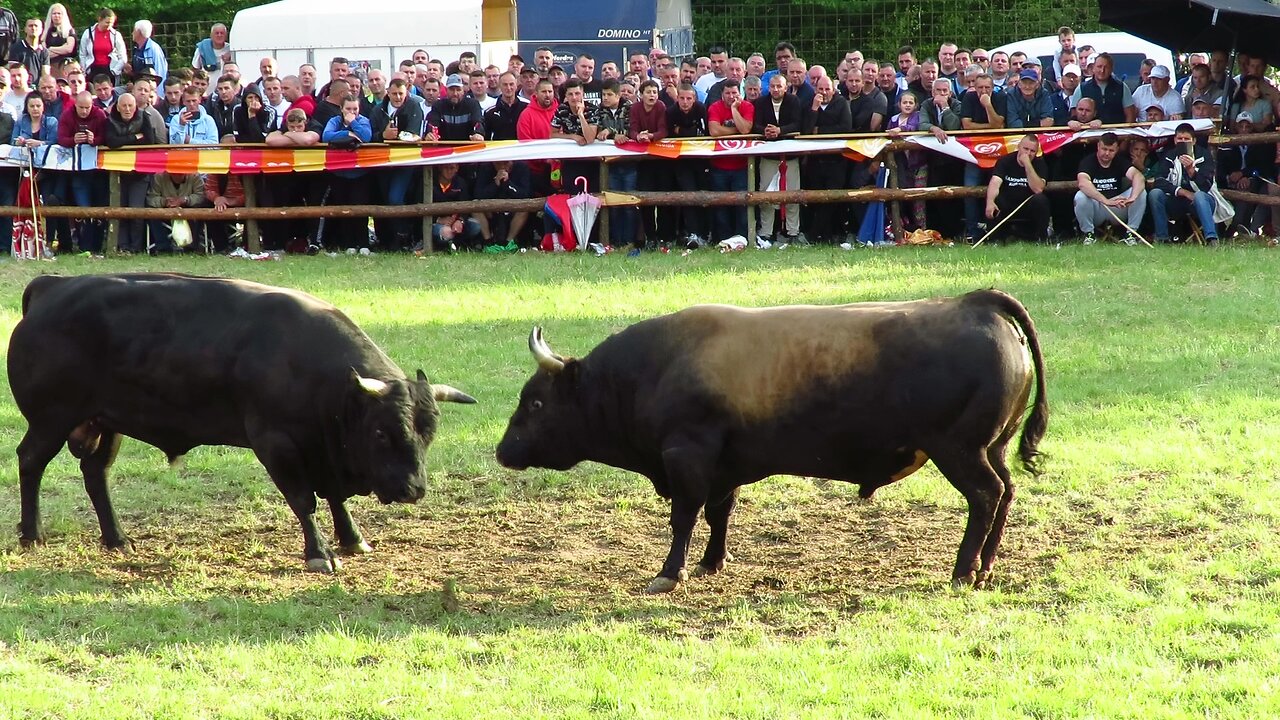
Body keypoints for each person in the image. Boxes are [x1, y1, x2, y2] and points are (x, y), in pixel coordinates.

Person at [370, 77, 423, 251]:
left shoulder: (414, 106)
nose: (398, 97)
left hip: (405, 161)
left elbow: (414, 132)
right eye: (394, 94)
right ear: (388, 92)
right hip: (383, 163)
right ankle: (389, 239)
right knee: (386, 200)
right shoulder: (378, 110)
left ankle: (403, 236)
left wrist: (397, 137)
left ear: (406, 91)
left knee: (396, 198)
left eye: (401, 93)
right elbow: (370, 136)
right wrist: (382, 136)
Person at [752, 73, 804, 246]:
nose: (775, 89)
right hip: (768, 156)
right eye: (772, 86)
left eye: (779, 86)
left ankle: (793, 231)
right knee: (765, 193)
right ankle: (766, 232)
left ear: (785, 87)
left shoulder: (794, 102)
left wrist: (780, 130)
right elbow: (755, 125)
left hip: (790, 156)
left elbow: (798, 124)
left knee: (792, 193)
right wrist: (766, 131)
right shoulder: (760, 102)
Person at [105, 92, 158, 252]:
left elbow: (149, 140)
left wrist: (124, 141)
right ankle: (123, 245)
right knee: (119, 210)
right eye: (124, 106)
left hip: (140, 172)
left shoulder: (144, 117)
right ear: (118, 107)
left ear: (135, 106)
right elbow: (110, 141)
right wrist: (135, 137)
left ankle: (136, 247)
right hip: (118, 173)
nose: (128, 109)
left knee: (136, 210)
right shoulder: (110, 120)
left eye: (131, 106)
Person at [801, 74, 851, 243]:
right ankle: (824, 237)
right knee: (817, 200)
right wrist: (814, 109)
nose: (824, 92)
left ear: (833, 89)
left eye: (827, 89)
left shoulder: (842, 103)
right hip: (815, 161)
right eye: (820, 89)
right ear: (815, 89)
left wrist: (820, 130)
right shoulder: (810, 104)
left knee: (832, 199)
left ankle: (815, 235)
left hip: (836, 160)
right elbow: (806, 130)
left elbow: (845, 127)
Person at [1150, 123, 1219, 244]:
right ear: (1175, 140)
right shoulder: (1169, 155)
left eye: (1186, 139)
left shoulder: (1204, 155)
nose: (1183, 142)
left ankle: (1212, 238)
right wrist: (1183, 192)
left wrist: (1191, 170)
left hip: (1202, 202)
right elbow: (1159, 181)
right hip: (1177, 199)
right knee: (1155, 194)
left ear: (1193, 141)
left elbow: (1206, 185)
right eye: (1179, 139)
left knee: (1199, 196)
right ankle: (1162, 238)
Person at [320, 94, 373, 251]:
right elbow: (326, 136)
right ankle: (349, 244)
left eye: (355, 109)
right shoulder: (334, 121)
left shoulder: (363, 120)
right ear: (341, 109)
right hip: (339, 173)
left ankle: (363, 244)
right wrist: (348, 134)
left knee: (360, 210)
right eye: (348, 109)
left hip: (360, 173)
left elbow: (366, 136)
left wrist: (353, 123)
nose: (352, 112)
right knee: (344, 208)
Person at [57, 91, 107, 253]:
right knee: (82, 209)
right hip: (77, 172)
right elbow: (60, 139)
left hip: (98, 171)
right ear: (75, 105)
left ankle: (97, 246)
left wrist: (95, 140)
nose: (84, 111)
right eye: (81, 107)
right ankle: (84, 246)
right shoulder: (67, 115)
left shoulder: (99, 114)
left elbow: (107, 137)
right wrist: (73, 140)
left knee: (99, 209)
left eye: (87, 107)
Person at [1074, 132, 1147, 244]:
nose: (1107, 153)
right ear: (1098, 146)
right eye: (1104, 149)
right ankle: (1089, 234)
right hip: (1097, 206)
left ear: (1117, 150)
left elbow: (1138, 176)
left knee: (1141, 193)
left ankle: (1130, 234)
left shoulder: (1120, 161)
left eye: (1111, 150)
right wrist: (1105, 201)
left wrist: (1132, 197)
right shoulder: (1088, 162)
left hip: (1117, 206)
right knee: (1080, 196)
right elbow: (1083, 183)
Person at [706, 80, 753, 243]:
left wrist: (734, 110)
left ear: (739, 93)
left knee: (742, 205)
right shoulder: (715, 107)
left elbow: (746, 129)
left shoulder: (747, 106)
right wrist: (736, 131)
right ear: (722, 94)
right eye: (728, 93)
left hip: (741, 165)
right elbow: (714, 130)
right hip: (719, 166)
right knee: (721, 206)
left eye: (734, 93)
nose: (731, 96)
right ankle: (723, 239)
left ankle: (741, 239)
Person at [984, 134, 1050, 242]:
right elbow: (995, 182)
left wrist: (1027, 164)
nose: (1028, 153)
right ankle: (994, 240)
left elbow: (1038, 189)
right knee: (994, 199)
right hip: (1007, 204)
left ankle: (1041, 239)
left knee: (1041, 200)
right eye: (1025, 149)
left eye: (1032, 151)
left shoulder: (1039, 164)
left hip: (1027, 205)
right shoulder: (1005, 161)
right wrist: (990, 202)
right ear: (1019, 146)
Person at [1218, 113, 1275, 237]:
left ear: (1252, 128)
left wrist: (1246, 175)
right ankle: (1233, 228)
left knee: (1246, 189)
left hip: (1253, 179)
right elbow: (1221, 166)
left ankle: (1238, 226)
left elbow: (1261, 167)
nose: (1244, 130)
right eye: (1241, 126)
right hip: (1229, 181)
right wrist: (1229, 177)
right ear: (1236, 128)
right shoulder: (1228, 144)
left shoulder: (1258, 145)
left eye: (1247, 127)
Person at [146, 171, 208, 253]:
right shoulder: (159, 177)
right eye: (175, 173)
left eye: (181, 173)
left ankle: (191, 247)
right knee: (152, 214)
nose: (178, 176)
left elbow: (201, 196)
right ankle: (163, 247)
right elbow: (151, 198)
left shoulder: (195, 176)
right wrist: (164, 201)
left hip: (188, 209)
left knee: (198, 212)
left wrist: (185, 200)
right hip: (165, 210)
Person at [78, 8, 125, 83]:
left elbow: (122, 56)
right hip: (93, 70)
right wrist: (84, 71)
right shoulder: (88, 33)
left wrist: (114, 71)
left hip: (109, 69)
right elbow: (82, 54)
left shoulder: (116, 35)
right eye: (107, 22)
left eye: (112, 23)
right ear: (100, 19)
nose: (109, 25)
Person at [126, 20, 165, 84]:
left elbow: (160, 71)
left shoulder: (154, 49)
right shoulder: (136, 48)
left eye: (134, 30)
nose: (132, 33)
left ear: (139, 32)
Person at [43, 4, 75, 76]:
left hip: (65, 67)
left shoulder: (70, 31)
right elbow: (44, 53)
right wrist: (61, 49)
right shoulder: (45, 32)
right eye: (54, 13)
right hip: (49, 67)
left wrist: (51, 48)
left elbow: (68, 49)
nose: (56, 16)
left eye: (59, 13)